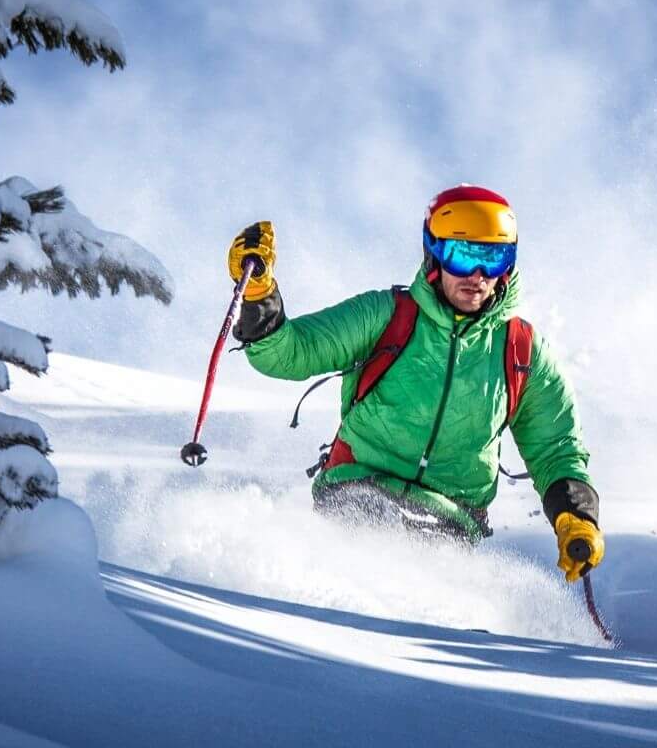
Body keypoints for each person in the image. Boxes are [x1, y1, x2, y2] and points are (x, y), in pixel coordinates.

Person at [226, 185, 604, 582]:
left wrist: (577, 518)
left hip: (449, 522)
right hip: (357, 491)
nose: (477, 276)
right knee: (366, 554)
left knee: (434, 599)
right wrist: (257, 294)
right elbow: (288, 353)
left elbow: (556, 450)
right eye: (462, 257)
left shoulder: (521, 352)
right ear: (435, 254)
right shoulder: (387, 316)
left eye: (493, 259)